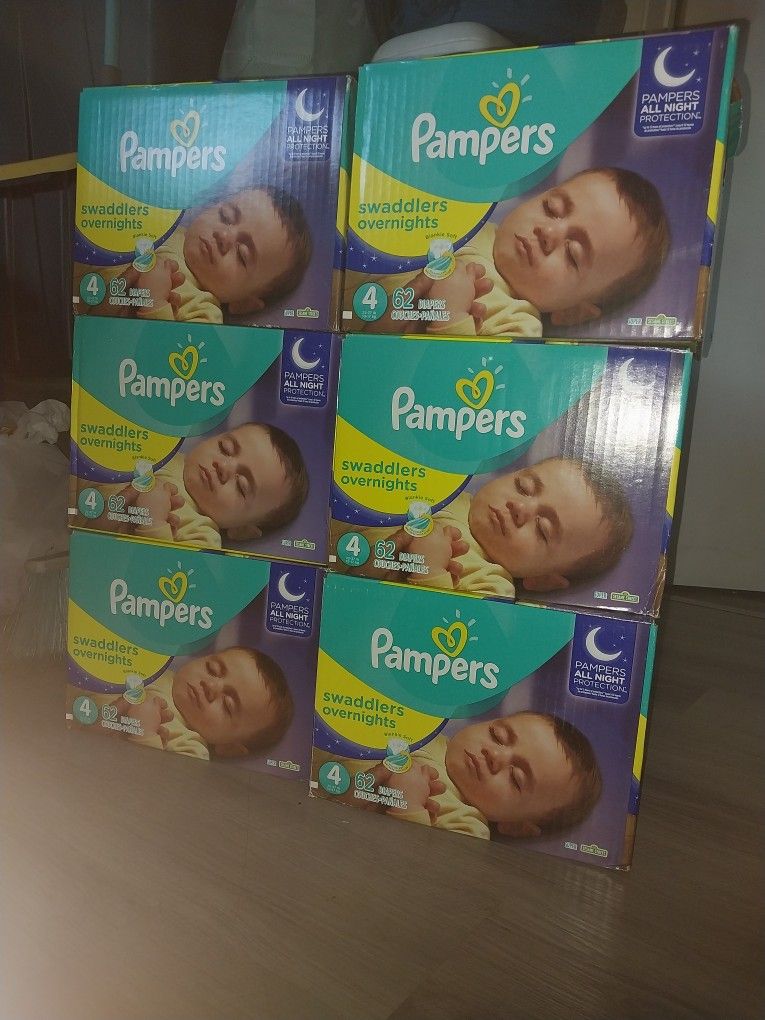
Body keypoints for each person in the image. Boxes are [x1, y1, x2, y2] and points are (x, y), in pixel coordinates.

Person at [360, 166, 670, 337]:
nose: (548, 233)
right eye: (552, 208)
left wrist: (450, 316)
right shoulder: (466, 223)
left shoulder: (517, 325)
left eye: (573, 254)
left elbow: (459, 390)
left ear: (573, 312)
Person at [346, 456, 633, 598]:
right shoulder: (445, 491)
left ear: (544, 580)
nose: (519, 508)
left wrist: (429, 571)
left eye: (543, 529)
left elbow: (439, 643)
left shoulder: (491, 585)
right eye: (524, 487)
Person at [321, 711, 602, 840]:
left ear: (516, 827)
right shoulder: (423, 730)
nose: (495, 755)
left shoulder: (466, 824)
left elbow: (426, 878)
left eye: (516, 778)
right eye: (498, 735)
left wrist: (408, 806)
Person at [95, 186, 312, 323]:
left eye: (242, 255)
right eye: (226, 216)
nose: (224, 236)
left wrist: (155, 304)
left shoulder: (202, 310)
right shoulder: (166, 229)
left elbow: (175, 365)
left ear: (244, 303)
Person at [79, 421, 309, 549]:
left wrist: (153, 522)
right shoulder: (164, 453)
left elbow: (162, 581)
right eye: (225, 448)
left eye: (241, 486)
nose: (223, 466)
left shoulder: (201, 534)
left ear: (242, 530)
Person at [84, 645, 294, 761]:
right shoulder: (154, 670)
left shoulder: (190, 748)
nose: (211, 685)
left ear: (229, 747)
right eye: (212, 669)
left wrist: (144, 735)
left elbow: (159, 790)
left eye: (228, 705)